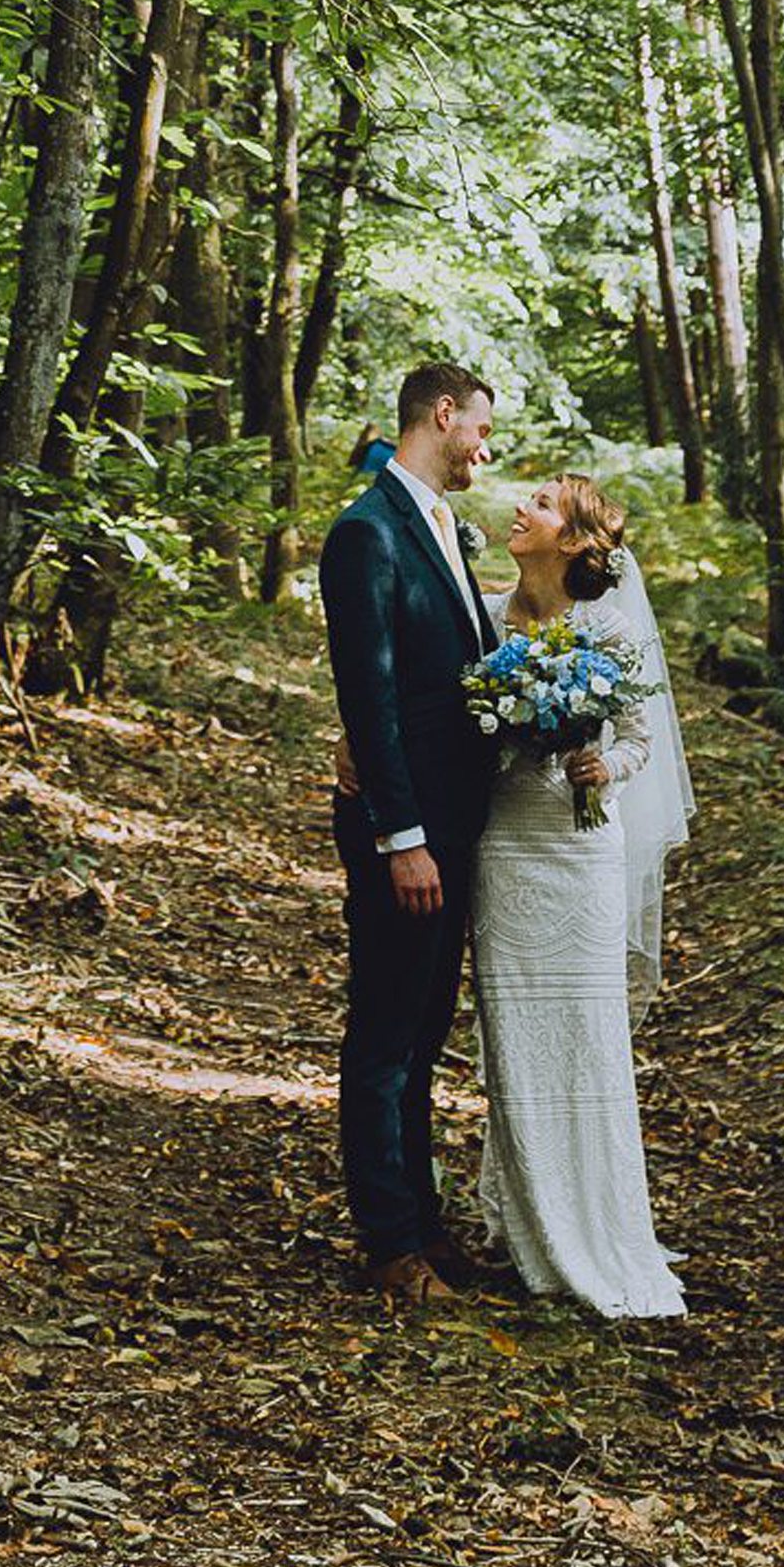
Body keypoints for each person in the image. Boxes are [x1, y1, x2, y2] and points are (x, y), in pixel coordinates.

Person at [469, 472, 690, 1321]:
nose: (520, 508)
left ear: (571, 540)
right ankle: (525, 1225)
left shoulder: (606, 624)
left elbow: (639, 739)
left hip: (579, 846)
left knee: (585, 1038)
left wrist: (605, 766)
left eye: (542, 504)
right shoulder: (487, 616)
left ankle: (594, 1222)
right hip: (508, 845)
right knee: (514, 1036)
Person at [318, 360, 498, 1306]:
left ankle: (423, 1219)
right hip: (409, 831)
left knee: (427, 1028)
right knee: (386, 1029)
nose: (485, 447)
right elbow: (370, 693)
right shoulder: (364, 532)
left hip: (456, 821)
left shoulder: (441, 526)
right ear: (442, 415)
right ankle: (387, 1236)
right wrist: (403, 835)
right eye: (479, 428)